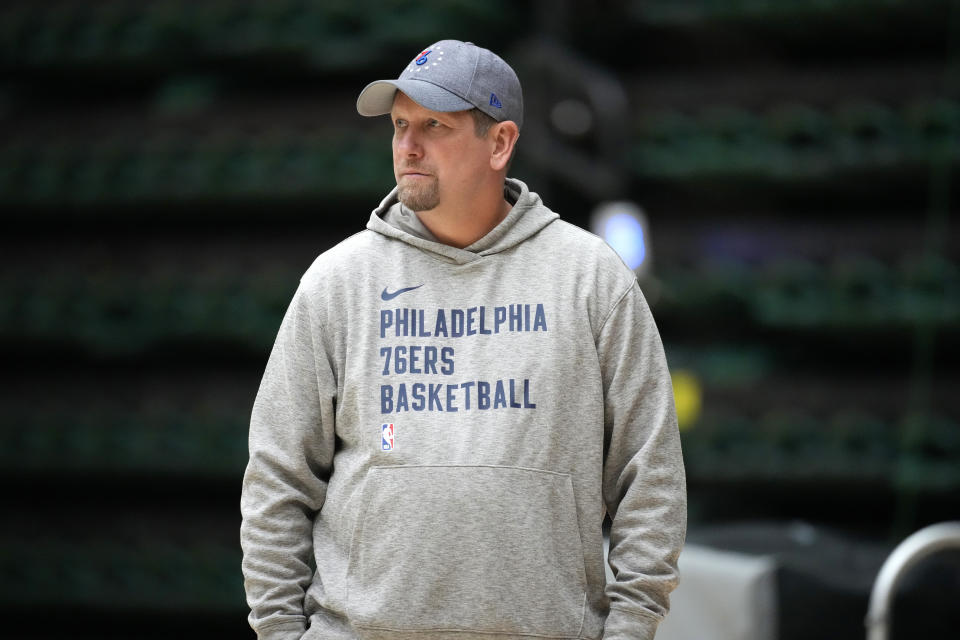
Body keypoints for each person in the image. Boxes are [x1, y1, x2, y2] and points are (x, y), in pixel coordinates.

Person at [241, 39, 686, 640]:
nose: (407, 146)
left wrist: (630, 629)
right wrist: (279, 633)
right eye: (399, 125)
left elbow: (650, 476)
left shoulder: (591, 279)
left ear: (500, 142)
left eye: (434, 125)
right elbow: (277, 478)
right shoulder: (337, 283)